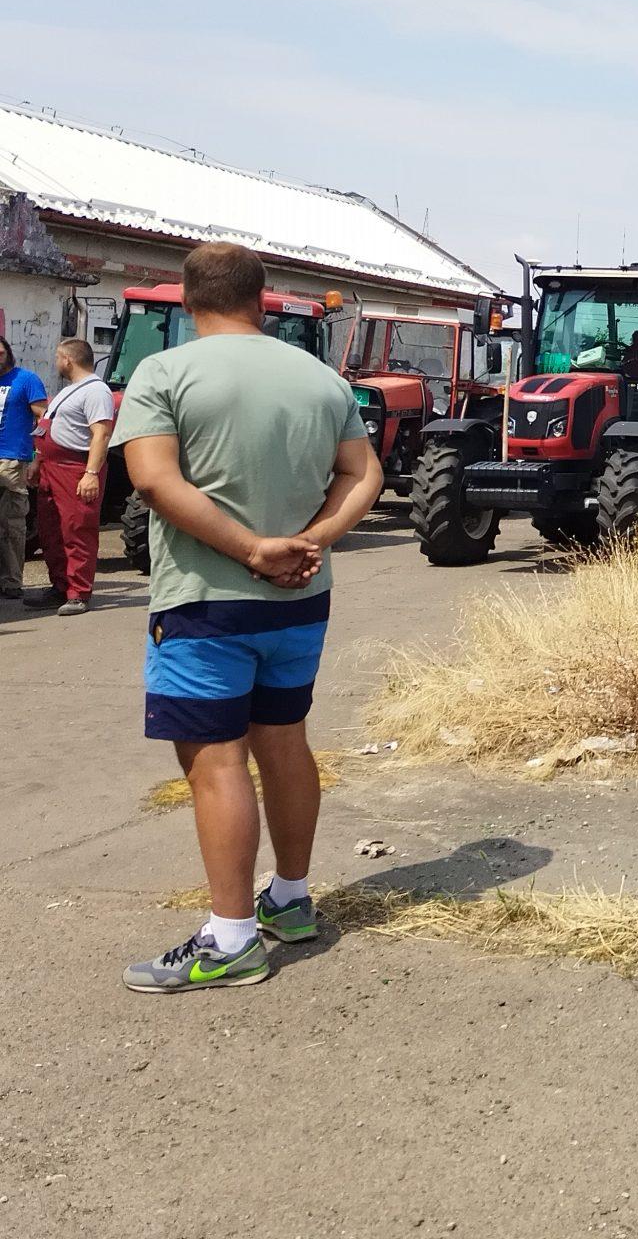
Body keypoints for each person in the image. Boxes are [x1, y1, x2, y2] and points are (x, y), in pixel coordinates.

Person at [112, 242, 382, 993]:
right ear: (262, 298)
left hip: (206, 600)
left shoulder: (164, 373)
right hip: (301, 601)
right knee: (285, 742)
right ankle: (291, 901)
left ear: (191, 301)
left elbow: (154, 480)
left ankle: (231, 940)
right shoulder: (321, 378)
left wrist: (254, 549)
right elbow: (366, 474)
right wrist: (313, 542)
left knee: (215, 761)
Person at [24, 338, 117, 615]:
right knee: (51, 530)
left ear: (68, 359)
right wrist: (39, 461)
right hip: (51, 469)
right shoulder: (69, 391)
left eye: (57, 357)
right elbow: (47, 428)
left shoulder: (97, 391)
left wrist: (90, 474)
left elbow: (101, 433)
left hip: (75, 468)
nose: (56, 362)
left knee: (77, 530)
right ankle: (60, 587)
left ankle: (78, 593)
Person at [0, 334, 46, 600]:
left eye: (0, 353)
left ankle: (11, 581)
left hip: (13, 461)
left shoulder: (26, 380)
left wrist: (37, 457)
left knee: (11, 525)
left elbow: (43, 420)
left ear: (8, 352)